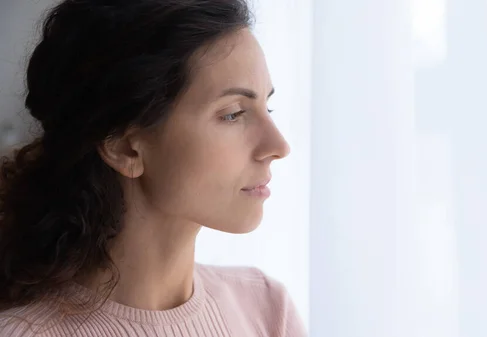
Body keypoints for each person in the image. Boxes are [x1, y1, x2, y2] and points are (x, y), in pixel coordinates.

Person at [0, 0, 305, 336]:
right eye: (233, 113)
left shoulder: (266, 310)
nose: (278, 146)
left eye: (267, 107)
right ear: (125, 147)